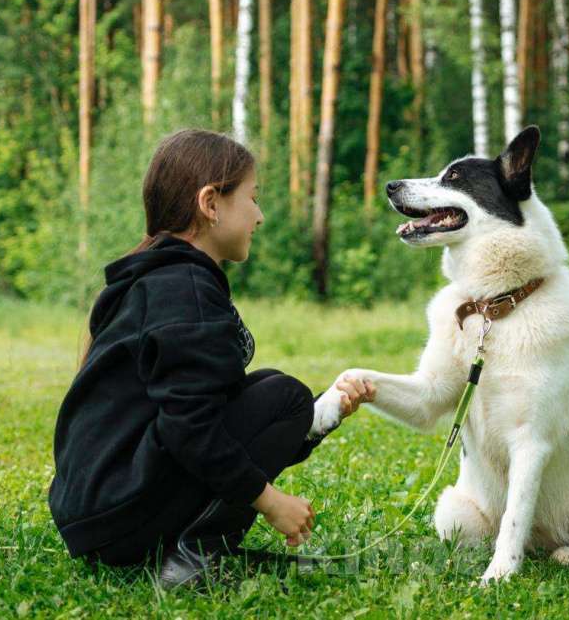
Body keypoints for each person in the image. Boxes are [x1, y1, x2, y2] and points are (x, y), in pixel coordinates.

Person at [48, 129, 374, 588]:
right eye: (252, 198)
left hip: (101, 513)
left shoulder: (162, 281)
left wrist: (327, 410)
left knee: (274, 390)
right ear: (211, 203)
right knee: (282, 395)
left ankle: (190, 547)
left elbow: (221, 416)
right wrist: (270, 500)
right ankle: (193, 561)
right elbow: (191, 426)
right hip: (119, 518)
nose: (259, 216)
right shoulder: (184, 292)